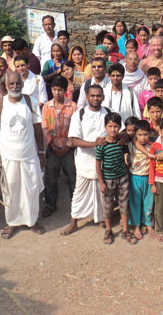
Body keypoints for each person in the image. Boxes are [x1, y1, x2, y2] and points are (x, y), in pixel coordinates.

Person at [0, 71, 46, 239]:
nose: (15, 86)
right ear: (6, 86)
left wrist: (41, 152)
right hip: (8, 157)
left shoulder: (31, 101)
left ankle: (32, 220)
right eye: (12, 84)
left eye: (18, 83)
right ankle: (12, 222)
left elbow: (37, 130)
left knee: (31, 188)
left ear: (22, 84)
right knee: (11, 189)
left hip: (29, 155)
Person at [60, 84, 113, 236]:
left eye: (98, 96)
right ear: (87, 97)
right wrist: (94, 144)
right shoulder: (79, 114)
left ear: (103, 97)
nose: (96, 98)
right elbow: (74, 140)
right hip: (85, 160)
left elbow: (118, 130)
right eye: (93, 96)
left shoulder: (108, 113)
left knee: (103, 191)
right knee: (79, 193)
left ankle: (102, 218)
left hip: (104, 161)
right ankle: (74, 223)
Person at [95, 112, 136, 244]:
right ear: (105, 127)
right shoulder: (102, 144)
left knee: (124, 203)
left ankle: (125, 230)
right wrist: (101, 182)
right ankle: (108, 229)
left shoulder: (121, 141)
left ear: (120, 127)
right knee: (107, 205)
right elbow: (97, 164)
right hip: (107, 179)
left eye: (116, 126)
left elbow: (126, 156)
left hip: (122, 177)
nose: (113, 129)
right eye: (110, 126)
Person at [41, 76, 77, 218]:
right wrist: (51, 144)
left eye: (60, 90)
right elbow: (44, 127)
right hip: (52, 148)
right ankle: (50, 205)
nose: (57, 93)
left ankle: (76, 206)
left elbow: (75, 128)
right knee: (51, 179)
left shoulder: (73, 106)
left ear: (65, 90)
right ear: (51, 90)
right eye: (55, 90)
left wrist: (68, 146)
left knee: (72, 178)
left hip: (69, 149)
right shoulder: (46, 107)